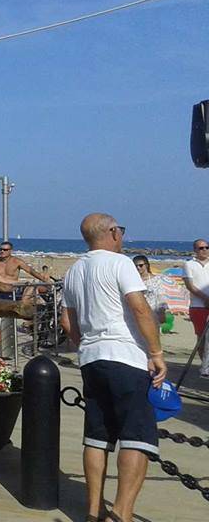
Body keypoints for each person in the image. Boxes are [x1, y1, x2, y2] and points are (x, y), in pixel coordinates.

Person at [60, 214, 166, 522]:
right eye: (120, 230)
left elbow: (69, 322)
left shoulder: (74, 271)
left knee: (97, 435)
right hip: (126, 356)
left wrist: (84, 344)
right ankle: (121, 514)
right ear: (112, 232)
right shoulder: (120, 264)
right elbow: (139, 306)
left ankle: (93, 510)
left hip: (92, 358)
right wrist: (156, 351)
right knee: (137, 436)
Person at [0, 241, 53, 358]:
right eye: (1, 249)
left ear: (10, 251)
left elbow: (30, 271)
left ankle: (6, 351)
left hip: (11, 294)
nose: (2, 252)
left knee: (8, 322)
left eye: (5, 250)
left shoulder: (16, 261)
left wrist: (44, 280)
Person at [181, 238, 209, 378]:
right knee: (202, 337)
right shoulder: (189, 265)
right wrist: (206, 299)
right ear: (195, 250)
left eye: (206, 247)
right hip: (198, 306)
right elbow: (190, 286)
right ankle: (204, 366)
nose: (204, 250)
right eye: (201, 248)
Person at [133, 256, 169, 326]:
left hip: (153, 313)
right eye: (135, 266)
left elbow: (161, 296)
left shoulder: (156, 279)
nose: (138, 268)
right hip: (137, 313)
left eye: (140, 265)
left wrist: (162, 311)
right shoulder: (133, 280)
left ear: (146, 265)